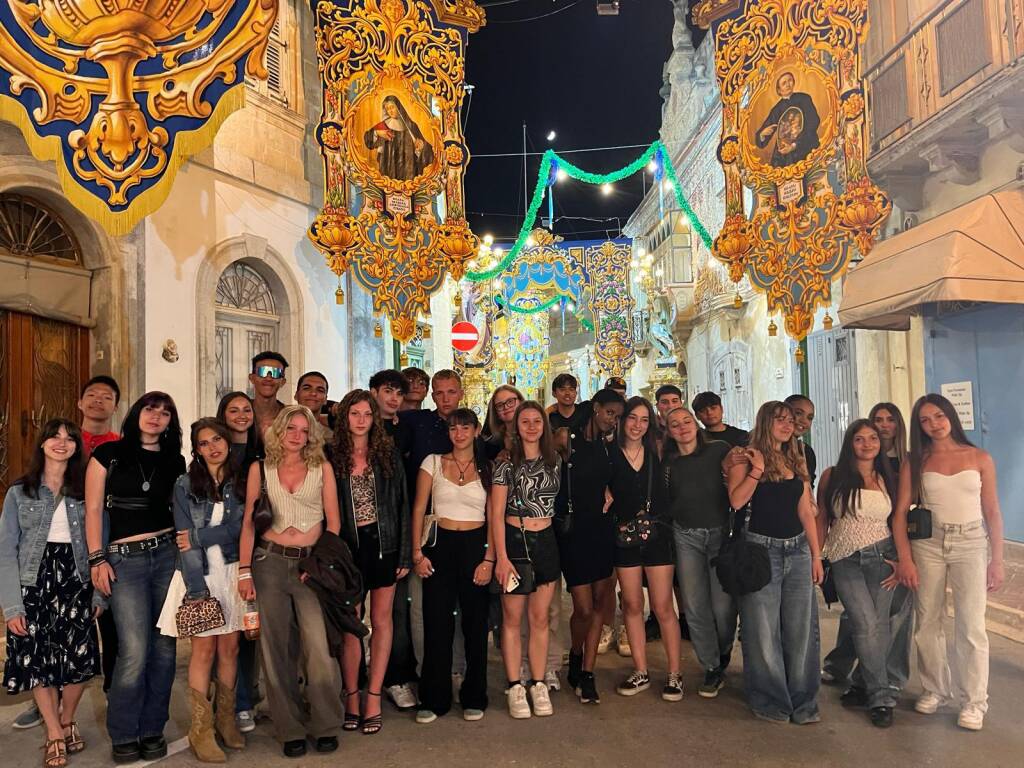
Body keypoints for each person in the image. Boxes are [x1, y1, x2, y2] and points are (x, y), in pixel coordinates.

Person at [892, 394, 1005, 731]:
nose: (934, 424)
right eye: (925, 420)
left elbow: (992, 511)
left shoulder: (979, 457)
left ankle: (974, 702)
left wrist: (997, 560)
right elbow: (900, 513)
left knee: (971, 625)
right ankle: (935, 689)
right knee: (928, 620)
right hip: (928, 543)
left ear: (951, 416)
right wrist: (905, 558)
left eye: (938, 416)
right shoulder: (916, 461)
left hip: (971, 542)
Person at [237, 405, 343, 757]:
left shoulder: (321, 467)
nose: (297, 435)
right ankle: (290, 727)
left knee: (319, 648)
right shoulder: (260, 469)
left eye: (304, 430)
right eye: (291, 428)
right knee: (276, 649)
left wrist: (321, 563)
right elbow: (250, 522)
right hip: (268, 562)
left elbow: (334, 523)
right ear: (279, 431)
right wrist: (244, 569)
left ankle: (326, 723)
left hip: (310, 564)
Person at [86, 393, 186, 763]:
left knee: (165, 648)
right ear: (136, 413)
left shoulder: (175, 460)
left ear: (170, 423)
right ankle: (125, 731)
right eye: (150, 409)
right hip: (124, 561)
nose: (156, 417)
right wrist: (97, 558)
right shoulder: (107, 454)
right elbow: (93, 509)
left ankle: (152, 728)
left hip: (166, 556)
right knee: (133, 650)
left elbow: (180, 509)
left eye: (165, 413)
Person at [1, 419, 100, 768]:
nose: (62, 442)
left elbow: (99, 542)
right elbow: (5, 551)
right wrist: (12, 606)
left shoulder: (86, 490)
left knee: (80, 660)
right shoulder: (19, 492)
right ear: (42, 444)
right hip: (33, 581)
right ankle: (55, 732)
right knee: (37, 661)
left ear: (76, 447)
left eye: (69, 438)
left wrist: (99, 594)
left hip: (76, 578)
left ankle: (67, 718)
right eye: (54, 437)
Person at [727, 400, 823, 724]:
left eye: (790, 421)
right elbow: (736, 501)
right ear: (765, 422)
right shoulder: (746, 456)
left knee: (801, 630)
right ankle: (770, 699)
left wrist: (816, 555)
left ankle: (803, 700)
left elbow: (805, 510)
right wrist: (756, 470)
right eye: (779, 420)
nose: (786, 425)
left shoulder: (797, 457)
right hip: (760, 550)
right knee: (762, 630)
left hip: (797, 550)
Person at [156, 419, 246, 760]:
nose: (213, 447)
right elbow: (184, 542)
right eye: (204, 443)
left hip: (233, 572)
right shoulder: (184, 484)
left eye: (217, 439)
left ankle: (226, 719)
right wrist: (196, 591)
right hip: (200, 575)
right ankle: (201, 730)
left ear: (227, 441)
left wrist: (199, 536)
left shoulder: (242, 480)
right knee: (204, 651)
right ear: (196, 450)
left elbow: (243, 529)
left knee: (230, 649)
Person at [332, 390, 410, 736]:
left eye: (367, 414)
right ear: (344, 417)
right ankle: (352, 694)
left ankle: (374, 696)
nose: (361, 420)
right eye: (355, 414)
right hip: (348, 549)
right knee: (351, 624)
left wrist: (405, 553)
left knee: (381, 620)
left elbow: (403, 505)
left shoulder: (387, 454)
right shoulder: (332, 456)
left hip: (385, 546)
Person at [818, 419, 903, 728]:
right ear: (849, 443)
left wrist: (902, 559)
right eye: (859, 439)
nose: (867, 444)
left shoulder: (888, 477)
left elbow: (898, 520)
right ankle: (881, 697)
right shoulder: (832, 476)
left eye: (873, 438)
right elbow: (822, 517)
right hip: (845, 559)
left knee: (877, 626)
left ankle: (861, 685)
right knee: (866, 624)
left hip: (883, 557)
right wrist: (817, 556)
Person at [411, 408, 492, 723]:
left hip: (476, 545)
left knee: (476, 625)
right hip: (439, 545)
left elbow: (494, 516)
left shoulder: (487, 467)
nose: (459, 434)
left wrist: (489, 559)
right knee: (436, 623)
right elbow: (419, 509)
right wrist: (417, 553)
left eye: (465, 428)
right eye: (453, 428)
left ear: (476, 430)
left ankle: (475, 695)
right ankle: (434, 697)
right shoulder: (431, 462)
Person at [389, 369, 463, 709]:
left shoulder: (468, 426)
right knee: (417, 607)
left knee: (456, 606)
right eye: (440, 392)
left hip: (461, 526)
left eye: (451, 392)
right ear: (433, 395)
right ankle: (422, 672)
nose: (445, 398)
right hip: (420, 523)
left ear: (460, 393)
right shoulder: (416, 423)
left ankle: (456, 670)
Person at [491, 401, 562, 719]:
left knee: (540, 618)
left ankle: (538, 682)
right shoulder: (506, 464)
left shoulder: (555, 460)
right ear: (516, 427)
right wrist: (501, 557)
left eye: (537, 421)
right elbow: (495, 513)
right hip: (514, 540)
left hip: (546, 540)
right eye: (525, 421)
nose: (531, 427)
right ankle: (515, 685)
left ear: (544, 426)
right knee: (511, 618)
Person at [609, 398, 682, 701]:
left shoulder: (659, 451)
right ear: (622, 420)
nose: (637, 425)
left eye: (643, 419)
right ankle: (640, 669)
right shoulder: (610, 453)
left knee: (663, 606)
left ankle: (675, 673)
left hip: (657, 535)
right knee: (632, 604)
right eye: (632, 418)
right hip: (624, 536)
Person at [662, 406, 737, 698]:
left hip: (719, 534)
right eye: (675, 424)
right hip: (686, 537)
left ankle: (724, 651)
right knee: (694, 605)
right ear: (669, 432)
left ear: (695, 425)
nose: (682, 427)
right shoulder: (669, 463)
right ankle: (711, 666)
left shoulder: (719, 450)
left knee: (723, 606)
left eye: (686, 421)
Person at [558, 388, 624, 705]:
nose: (613, 420)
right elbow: (538, 454)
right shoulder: (566, 438)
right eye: (610, 413)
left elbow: (613, 479)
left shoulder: (608, 445)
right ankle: (575, 651)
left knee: (600, 601)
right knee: (582, 608)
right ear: (596, 408)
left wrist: (611, 491)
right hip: (574, 531)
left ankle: (587, 671)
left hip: (602, 528)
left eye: (618, 416)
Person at [215, 392, 260, 734]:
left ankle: (247, 697)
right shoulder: (216, 454)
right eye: (234, 410)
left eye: (247, 409)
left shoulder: (262, 452)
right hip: (223, 553)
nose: (242, 415)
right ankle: (237, 703)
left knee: (250, 629)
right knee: (227, 631)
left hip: (260, 548)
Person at [755, 71, 821, 167]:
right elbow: (764, 134)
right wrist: (762, 134)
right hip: (784, 153)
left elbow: (814, 121)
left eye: (790, 80)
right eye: (784, 83)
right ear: (779, 90)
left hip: (805, 145)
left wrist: (794, 145)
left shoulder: (804, 98)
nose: (788, 84)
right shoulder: (777, 109)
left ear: (793, 82)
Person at [363, 94, 435, 181]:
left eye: (392, 107)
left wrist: (421, 147)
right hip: (388, 170)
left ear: (398, 107)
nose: (390, 111)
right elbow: (368, 140)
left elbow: (428, 151)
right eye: (387, 109)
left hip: (408, 172)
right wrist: (377, 132)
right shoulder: (383, 126)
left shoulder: (411, 126)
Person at [249, 352, 289, 434]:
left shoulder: (289, 417)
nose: (268, 378)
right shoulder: (239, 414)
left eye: (275, 373)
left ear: (283, 382)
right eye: (262, 371)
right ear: (252, 378)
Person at [482, 384, 524, 460]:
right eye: (500, 405)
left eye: (510, 401)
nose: (506, 407)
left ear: (521, 402)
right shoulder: (489, 445)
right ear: (496, 413)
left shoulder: (536, 435)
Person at [369, 369, 408, 438]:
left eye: (399, 394)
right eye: (388, 391)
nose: (394, 398)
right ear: (374, 393)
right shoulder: (363, 425)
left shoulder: (408, 425)